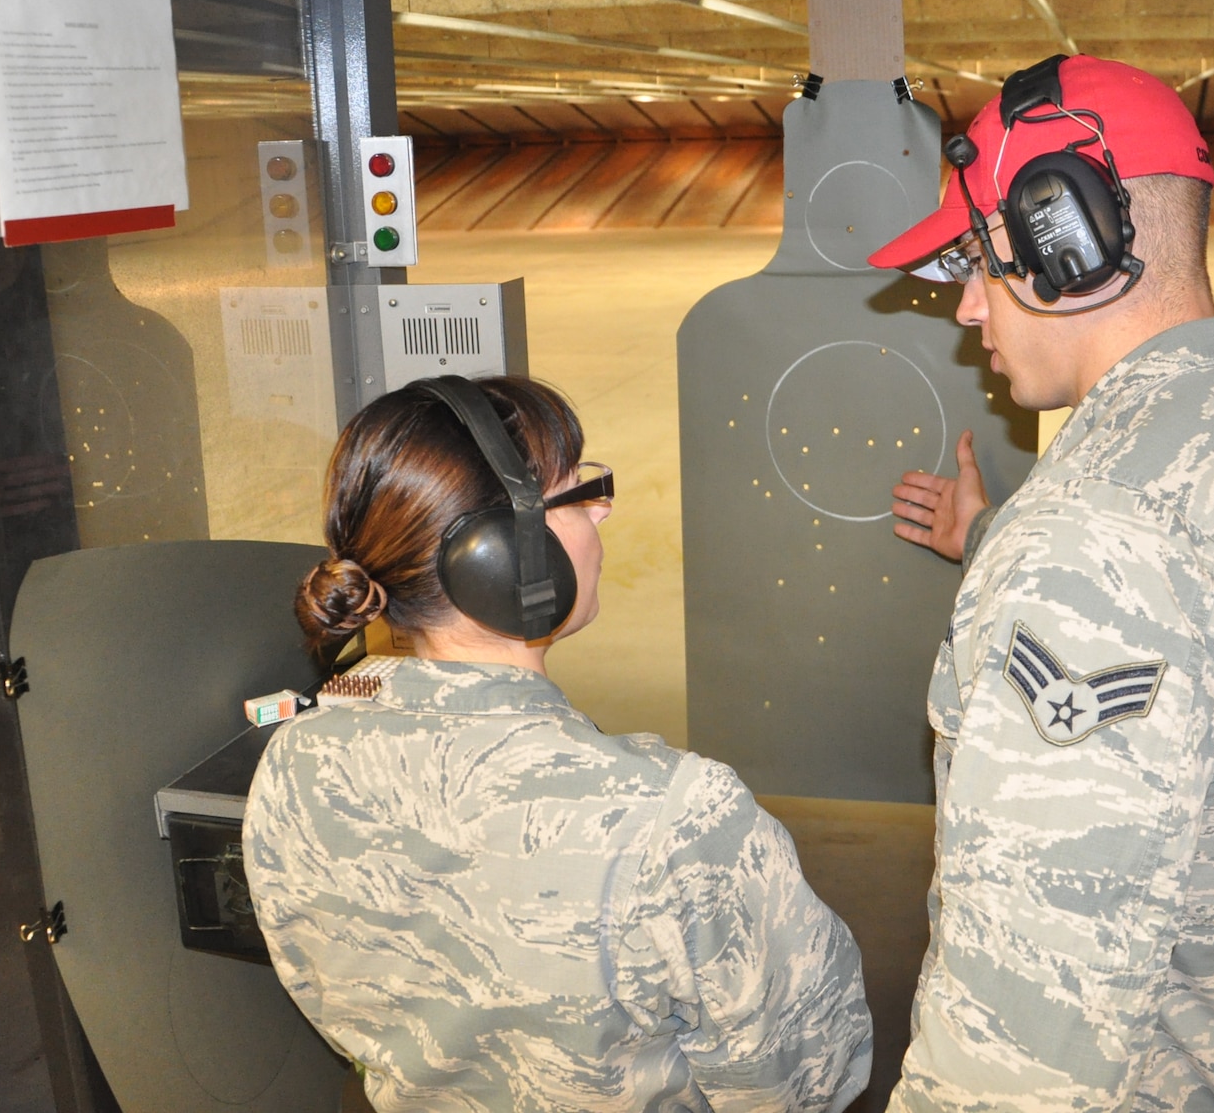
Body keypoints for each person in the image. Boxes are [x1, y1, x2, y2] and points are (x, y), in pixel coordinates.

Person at [868, 55, 1214, 1112]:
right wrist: (995, 535)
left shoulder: (1088, 544)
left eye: (973, 261)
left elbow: (1025, 1044)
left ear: (1065, 244)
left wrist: (1033, 553)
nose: (962, 307)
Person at [243, 374, 872, 1113]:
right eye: (579, 494)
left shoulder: (296, 761)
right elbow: (810, 1077)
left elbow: (326, 1001)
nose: (600, 513)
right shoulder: (675, 818)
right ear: (505, 556)